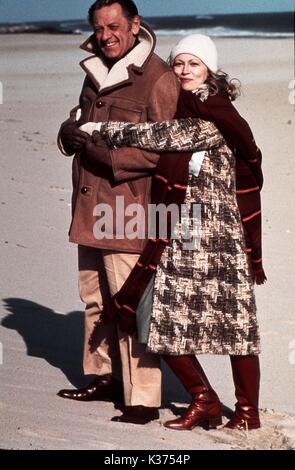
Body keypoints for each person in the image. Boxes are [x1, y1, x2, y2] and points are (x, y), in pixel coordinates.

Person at [80, 34, 266, 430]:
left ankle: (247, 414)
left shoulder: (215, 112)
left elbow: (162, 137)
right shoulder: (183, 107)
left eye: (193, 64)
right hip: (181, 232)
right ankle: (205, 400)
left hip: (219, 239)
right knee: (158, 319)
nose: (183, 71)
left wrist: (105, 128)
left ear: (209, 70)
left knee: (237, 327)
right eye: (178, 63)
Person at [57, 2, 220, 425]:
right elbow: (81, 119)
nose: (106, 35)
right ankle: (104, 377)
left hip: (130, 212)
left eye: (114, 26)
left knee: (130, 305)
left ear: (135, 25)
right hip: (88, 208)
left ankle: (143, 399)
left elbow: (168, 146)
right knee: (94, 299)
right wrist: (66, 133)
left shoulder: (160, 79)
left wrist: (105, 154)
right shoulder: (92, 69)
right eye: (98, 28)